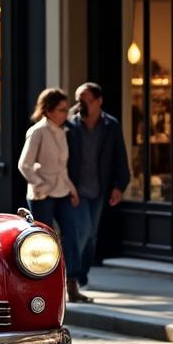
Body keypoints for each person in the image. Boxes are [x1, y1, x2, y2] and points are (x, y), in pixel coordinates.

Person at [18, 88, 85, 303]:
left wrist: (72, 189)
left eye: (67, 109)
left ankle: (72, 284)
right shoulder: (37, 131)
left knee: (72, 235)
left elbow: (62, 169)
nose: (66, 113)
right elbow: (24, 165)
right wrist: (41, 183)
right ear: (48, 110)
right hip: (42, 195)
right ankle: (43, 287)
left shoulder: (63, 131)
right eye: (61, 109)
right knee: (44, 241)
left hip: (63, 191)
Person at [67, 82, 132, 292]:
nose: (81, 104)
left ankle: (82, 274)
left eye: (86, 99)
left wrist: (119, 186)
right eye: (78, 100)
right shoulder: (70, 125)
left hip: (99, 189)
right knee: (82, 230)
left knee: (92, 234)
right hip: (75, 189)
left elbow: (120, 156)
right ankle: (72, 277)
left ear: (98, 101)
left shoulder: (111, 125)